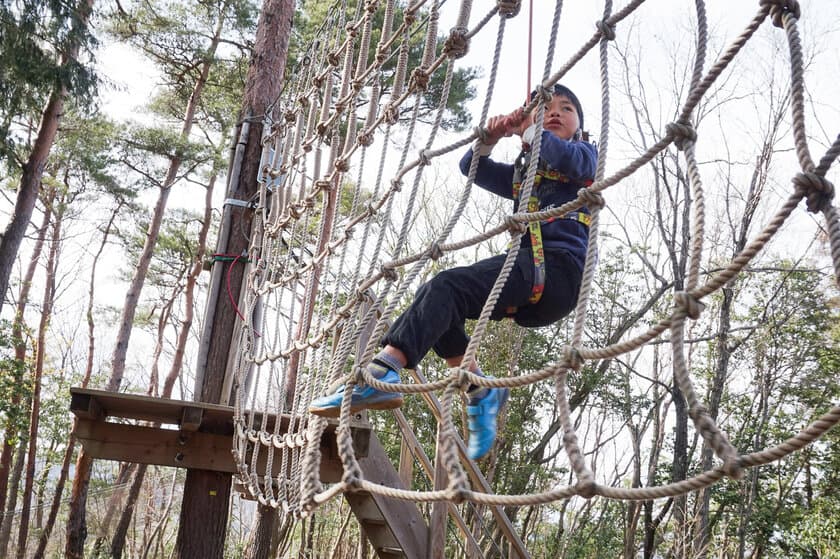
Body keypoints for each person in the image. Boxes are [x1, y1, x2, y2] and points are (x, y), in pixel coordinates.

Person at [309, 84, 598, 460]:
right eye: (544, 109)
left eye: (566, 108)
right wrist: (491, 137)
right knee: (442, 299)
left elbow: (572, 161)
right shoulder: (525, 174)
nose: (555, 112)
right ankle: (481, 389)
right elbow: (471, 167)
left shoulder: (582, 156)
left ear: (579, 126)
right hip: (531, 277)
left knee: (447, 287)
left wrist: (529, 128)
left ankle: (385, 369)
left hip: (558, 273)